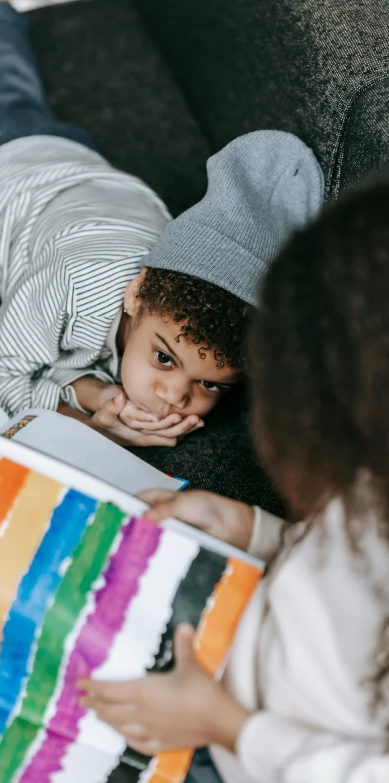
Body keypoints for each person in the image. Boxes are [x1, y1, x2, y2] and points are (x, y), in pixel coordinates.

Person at [0, 0, 323, 448]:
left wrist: (97, 393)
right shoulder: (76, 280)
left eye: (211, 387)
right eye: (164, 357)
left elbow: (88, 360)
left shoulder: (172, 274)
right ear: (134, 292)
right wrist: (86, 426)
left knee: (8, 89)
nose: (174, 397)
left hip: (58, 146)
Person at [79, 180, 389, 782]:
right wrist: (251, 528)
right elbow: (349, 571)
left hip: (230, 749)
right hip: (224, 674)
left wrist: (226, 725)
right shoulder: (370, 480)